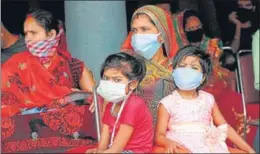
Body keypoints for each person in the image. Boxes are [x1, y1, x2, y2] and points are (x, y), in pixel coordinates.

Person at [1, 9, 95, 153]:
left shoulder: (73, 65)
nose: (28, 39)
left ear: (51, 34)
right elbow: (4, 101)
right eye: (26, 34)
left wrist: (81, 97)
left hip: (69, 141)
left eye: (34, 33)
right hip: (27, 139)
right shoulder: (14, 65)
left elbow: (94, 99)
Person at [155, 45, 255, 153]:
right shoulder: (167, 103)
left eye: (194, 67)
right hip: (181, 147)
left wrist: (249, 150)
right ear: (173, 72)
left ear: (202, 77)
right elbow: (159, 136)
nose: (187, 71)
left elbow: (225, 127)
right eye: (182, 66)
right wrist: (168, 143)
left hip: (207, 145)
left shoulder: (208, 99)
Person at [121, 5, 179, 125]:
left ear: (161, 35)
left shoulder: (178, 69)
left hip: (169, 136)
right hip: (133, 135)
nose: (138, 36)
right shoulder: (126, 68)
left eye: (145, 29)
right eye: (134, 30)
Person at [83, 53, 153, 153]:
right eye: (106, 78)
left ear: (132, 84)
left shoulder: (134, 105)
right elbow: (103, 144)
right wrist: (99, 151)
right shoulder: (111, 104)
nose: (110, 83)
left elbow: (116, 150)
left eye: (117, 80)